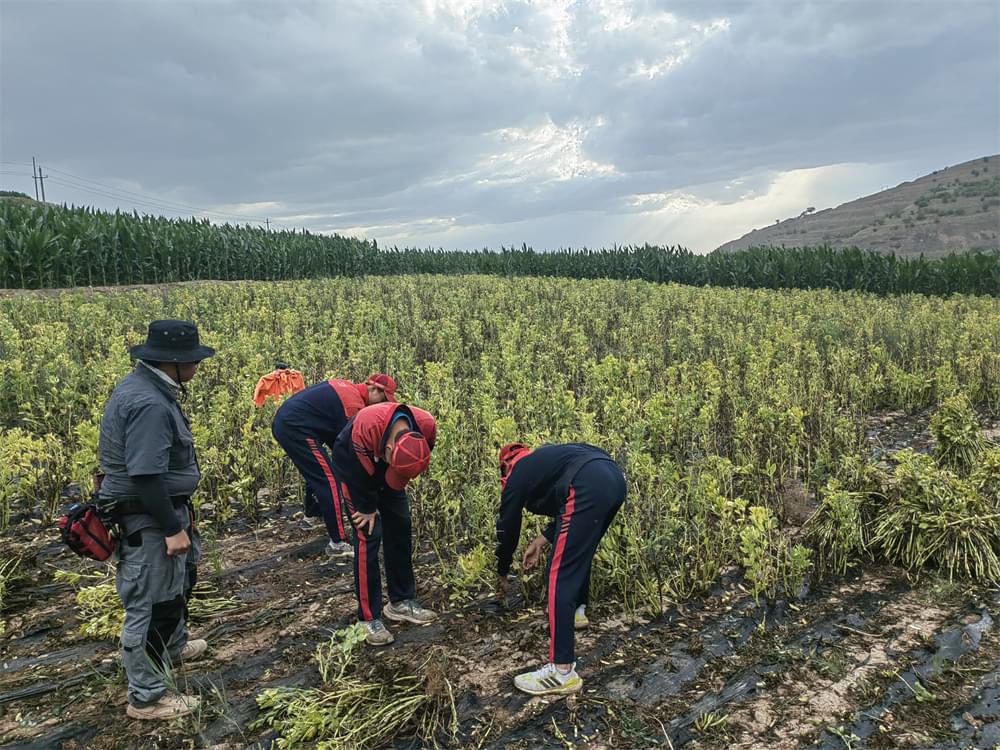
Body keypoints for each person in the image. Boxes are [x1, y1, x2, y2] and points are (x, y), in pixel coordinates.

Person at [97, 320, 216, 720]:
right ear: (175, 363)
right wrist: (171, 528)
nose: (198, 367)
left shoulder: (148, 388)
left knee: (175, 587)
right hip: (148, 518)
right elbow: (145, 475)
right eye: (195, 360)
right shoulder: (148, 403)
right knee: (149, 604)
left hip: (161, 509)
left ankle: (173, 647)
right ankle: (146, 697)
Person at [495, 442, 626, 696]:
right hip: (614, 479)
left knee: (559, 574)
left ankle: (562, 671)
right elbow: (569, 503)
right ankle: (577, 612)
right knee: (579, 553)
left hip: (588, 482)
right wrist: (542, 541)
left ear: (505, 466)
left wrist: (502, 568)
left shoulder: (517, 474)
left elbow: (507, 528)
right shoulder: (546, 460)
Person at [329, 401, 437, 645]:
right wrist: (367, 508)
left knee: (400, 524)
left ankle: (400, 601)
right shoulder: (364, 430)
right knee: (368, 534)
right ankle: (369, 618)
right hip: (352, 465)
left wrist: (401, 473)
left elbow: (416, 459)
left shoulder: (426, 426)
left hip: (390, 460)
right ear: (388, 449)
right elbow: (359, 477)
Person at [271, 373, 398, 558]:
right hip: (296, 428)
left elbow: (339, 442)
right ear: (373, 389)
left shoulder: (348, 388)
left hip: (289, 422)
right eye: (383, 399)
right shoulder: (353, 405)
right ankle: (337, 543)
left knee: (318, 471)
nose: (380, 406)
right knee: (329, 480)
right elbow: (353, 452)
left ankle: (312, 516)